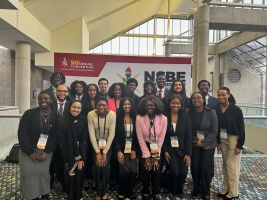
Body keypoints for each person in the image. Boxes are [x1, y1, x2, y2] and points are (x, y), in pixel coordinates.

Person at [18, 91, 59, 200]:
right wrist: (30, 152)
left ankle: (44, 194)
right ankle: (32, 196)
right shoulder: (29, 114)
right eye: (40, 98)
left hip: (46, 150)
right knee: (28, 174)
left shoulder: (55, 116)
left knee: (43, 173)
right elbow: (22, 133)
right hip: (27, 150)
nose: (43, 101)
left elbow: (55, 136)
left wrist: (46, 152)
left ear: (51, 100)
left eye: (46, 98)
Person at [216, 87, 245, 200]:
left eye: (223, 95)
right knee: (224, 164)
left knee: (230, 164)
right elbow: (217, 127)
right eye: (219, 95)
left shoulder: (236, 110)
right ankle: (226, 188)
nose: (221, 97)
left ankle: (234, 192)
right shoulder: (216, 109)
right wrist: (218, 142)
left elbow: (241, 128)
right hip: (222, 139)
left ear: (228, 95)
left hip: (233, 139)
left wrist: (239, 145)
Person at [136, 96, 167, 200]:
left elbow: (161, 138)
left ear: (156, 106)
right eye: (147, 105)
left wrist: (155, 156)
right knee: (145, 169)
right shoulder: (139, 118)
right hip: (144, 145)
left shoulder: (163, 118)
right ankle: (145, 190)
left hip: (157, 146)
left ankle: (155, 191)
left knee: (155, 169)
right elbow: (140, 137)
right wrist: (147, 156)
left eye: (151, 105)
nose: (149, 107)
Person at [188, 92, 218, 200]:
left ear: (203, 99)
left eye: (199, 98)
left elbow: (214, 131)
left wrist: (204, 143)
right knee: (195, 167)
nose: (196, 100)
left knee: (205, 168)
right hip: (195, 143)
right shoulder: (188, 112)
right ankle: (196, 188)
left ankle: (205, 191)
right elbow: (188, 130)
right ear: (191, 101)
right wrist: (197, 141)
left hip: (208, 144)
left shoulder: (211, 112)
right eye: (194, 98)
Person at [163, 95, 192, 200]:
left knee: (183, 172)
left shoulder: (186, 116)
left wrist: (188, 153)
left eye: (178, 103)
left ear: (181, 105)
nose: (175, 105)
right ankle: (172, 190)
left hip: (183, 150)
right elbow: (162, 136)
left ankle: (180, 189)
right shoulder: (164, 116)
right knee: (174, 172)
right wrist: (165, 151)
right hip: (169, 150)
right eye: (173, 103)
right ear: (169, 104)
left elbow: (188, 136)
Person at [58, 101, 88, 200]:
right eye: (74, 107)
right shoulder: (63, 120)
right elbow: (62, 141)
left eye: (79, 108)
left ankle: (78, 194)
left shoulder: (83, 119)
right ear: (69, 107)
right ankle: (70, 193)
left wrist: (81, 157)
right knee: (69, 173)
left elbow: (84, 139)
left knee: (79, 173)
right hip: (67, 152)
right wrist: (67, 159)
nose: (76, 110)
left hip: (80, 151)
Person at [88, 96, 116, 200]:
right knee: (96, 166)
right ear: (96, 105)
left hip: (107, 144)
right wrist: (97, 152)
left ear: (107, 106)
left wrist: (104, 152)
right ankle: (98, 191)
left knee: (105, 166)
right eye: (99, 105)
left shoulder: (112, 115)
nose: (101, 107)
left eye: (104, 105)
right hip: (95, 143)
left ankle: (104, 190)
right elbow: (91, 134)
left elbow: (112, 134)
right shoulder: (90, 114)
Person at [113, 97, 138, 199]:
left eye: (129, 104)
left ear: (132, 105)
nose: (127, 106)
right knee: (124, 171)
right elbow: (114, 136)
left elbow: (138, 136)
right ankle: (122, 190)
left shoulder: (136, 118)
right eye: (124, 104)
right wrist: (118, 151)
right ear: (121, 106)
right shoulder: (117, 118)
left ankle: (130, 191)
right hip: (121, 149)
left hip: (132, 149)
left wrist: (134, 150)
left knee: (133, 171)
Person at [50, 84, 71, 190]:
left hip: (66, 139)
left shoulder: (71, 105)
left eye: (65, 91)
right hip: (51, 138)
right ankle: (48, 185)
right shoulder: (49, 104)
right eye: (60, 91)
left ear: (68, 93)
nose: (62, 93)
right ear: (56, 92)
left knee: (63, 162)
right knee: (50, 163)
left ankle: (64, 183)